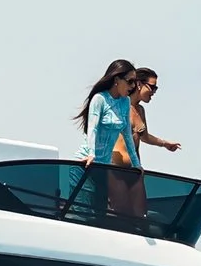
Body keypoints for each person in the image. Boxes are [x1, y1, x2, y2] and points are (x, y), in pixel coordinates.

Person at [76, 60, 145, 220]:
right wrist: (91, 154)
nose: (133, 86)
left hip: (103, 168)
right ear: (116, 80)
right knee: (81, 215)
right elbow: (92, 129)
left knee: (99, 215)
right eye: (130, 81)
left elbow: (127, 134)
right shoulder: (99, 99)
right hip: (85, 165)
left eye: (135, 82)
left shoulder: (125, 102)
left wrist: (136, 164)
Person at [129, 68, 181, 157]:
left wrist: (165, 143)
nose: (153, 92)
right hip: (113, 163)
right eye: (152, 87)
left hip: (134, 164)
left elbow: (145, 137)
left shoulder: (140, 110)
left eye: (155, 89)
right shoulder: (120, 106)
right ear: (138, 84)